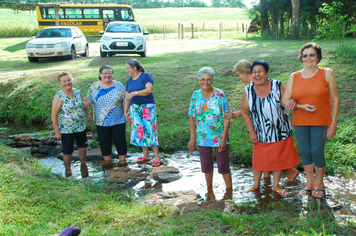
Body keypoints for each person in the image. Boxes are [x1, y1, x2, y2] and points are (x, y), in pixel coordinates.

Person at [227, 59, 299, 183]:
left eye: (238, 75)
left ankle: (285, 173)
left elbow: (285, 101)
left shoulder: (274, 85)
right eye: (255, 72)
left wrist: (293, 102)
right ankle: (267, 178)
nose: (238, 78)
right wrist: (236, 115)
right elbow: (248, 109)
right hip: (262, 130)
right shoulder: (249, 89)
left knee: (278, 155)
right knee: (269, 156)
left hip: (278, 129)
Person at [282, 42, 340, 198]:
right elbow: (284, 100)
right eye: (305, 55)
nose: (308, 58)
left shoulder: (327, 73)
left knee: (316, 151)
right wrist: (295, 103)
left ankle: (319, 184)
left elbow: (335, 99)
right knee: (306, 152)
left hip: (321, 120)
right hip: (301, 120)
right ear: (301, 58)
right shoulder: (294, 76)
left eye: (312, 55)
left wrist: (333, 122)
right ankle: (310, 184)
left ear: (318, 57)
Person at [188, 67, 232, 200]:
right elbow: (192, 117)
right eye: (202, 79)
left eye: (208, 79)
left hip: (219, 137)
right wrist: (192, 139)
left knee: (223, 165)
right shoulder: (195, 96)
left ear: (212, 80)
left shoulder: (220, 95)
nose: (205, 82)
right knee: (206, 165)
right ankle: (210, 191)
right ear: (198, 80)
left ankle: (229, 192)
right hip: (202, 138)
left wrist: (223, 138)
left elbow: (226, 117)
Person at [84, 65, 127, 167]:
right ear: (100, 74)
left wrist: (127, 113)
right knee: (104, 142)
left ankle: (123, 163)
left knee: (120, 141)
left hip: (118, 120)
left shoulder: (119, 85)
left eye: (110, 73)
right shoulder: (94, 86)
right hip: (101, 121)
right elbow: (86, 101)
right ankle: (108, 164)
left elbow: (126, 101)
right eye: (105, 73)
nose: (108, 75)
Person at [51, 72, 91, 178]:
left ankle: (83, 165)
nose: (67, 83)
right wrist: (57, 131)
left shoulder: (77, 92)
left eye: (69, 80)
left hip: (80, 127)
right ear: (60, 83)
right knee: (68, 151)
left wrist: (88, 115)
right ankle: (68, 170)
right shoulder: (59, 96)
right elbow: (54, 115)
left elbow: (83, 105)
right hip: (66, 130)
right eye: (64, 81)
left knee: (83, 148)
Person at [124, 59, 162, 167]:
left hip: (147, 107)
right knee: (139, 130)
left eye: (128, 68)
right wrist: (125, 112)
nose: (127, 71)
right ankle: (146, 155)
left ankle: (157, 157)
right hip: (134, 108)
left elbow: (149, 90)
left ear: (134, 68)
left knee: (150, 130)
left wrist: (135, 93)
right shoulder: (129, 81)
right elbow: (127, 97)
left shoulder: (145, 76)